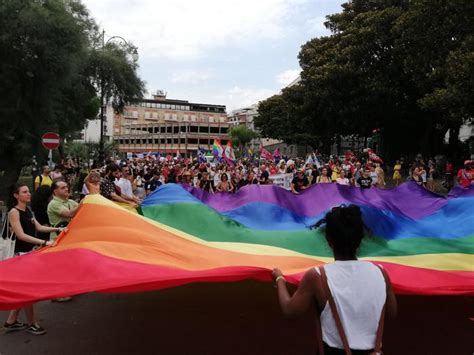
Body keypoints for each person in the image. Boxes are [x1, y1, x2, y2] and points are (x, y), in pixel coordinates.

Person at [272, 205, 397, 354]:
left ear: (329, 240)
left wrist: (279, 279)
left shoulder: (317, 276)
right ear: (361, 238)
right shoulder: (381, 273)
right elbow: (391, 313)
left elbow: (290, 310)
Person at [4, 183, 62, 335]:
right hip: (20, 256)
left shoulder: (28, 210)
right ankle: (32, 323)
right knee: (27, 291)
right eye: (24, 192)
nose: (28, 194)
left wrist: (57, 229)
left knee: (23, 291)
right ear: (16, 195)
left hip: (29, 254)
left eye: (28, 191)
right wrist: (43, 242)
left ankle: (11, 321)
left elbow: (39, 227)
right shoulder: (14, 212)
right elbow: (21, 235)